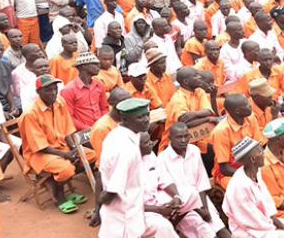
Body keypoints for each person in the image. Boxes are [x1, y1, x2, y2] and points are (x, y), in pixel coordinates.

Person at [99, 98, 176, 237]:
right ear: (125, 119)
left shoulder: (118, 136)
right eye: (140, 117)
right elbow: (113, 190)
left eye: (147, 114)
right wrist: (103, 204)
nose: (146, 119)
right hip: (124, 216)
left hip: (130, 212)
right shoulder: (127, 148)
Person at [19, 74, 95, 213]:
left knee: (90, 156)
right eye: (48, 90)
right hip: (39, 154)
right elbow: (40, 146)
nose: (53, 92)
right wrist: (66, 154)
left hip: (61, 147)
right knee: (66, 169)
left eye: (55, 89)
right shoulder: (30, 114)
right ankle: (59, 196)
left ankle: (55, 182)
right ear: (38, 92)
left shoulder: (60, 101)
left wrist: (74, 149)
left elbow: (68, 131)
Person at [222, 136, 284, 237]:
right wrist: (279, 231)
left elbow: (267, 203)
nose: (264, 153)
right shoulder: (239, 187)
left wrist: (281, 225)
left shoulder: (256, 173)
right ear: (253, 159)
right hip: (251, 232)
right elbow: (253, 222)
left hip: (266, 224)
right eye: (260, 151)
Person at [60, 50, 108, 130]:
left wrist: (101, 125)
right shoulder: (69, 90)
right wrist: (87, 129)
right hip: (81, 133)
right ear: (84, 66)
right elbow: (68, 117)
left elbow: (104, 108)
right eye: (95, 64)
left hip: (100, 128)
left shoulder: (99, 84)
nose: (98, 67)